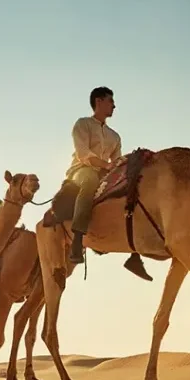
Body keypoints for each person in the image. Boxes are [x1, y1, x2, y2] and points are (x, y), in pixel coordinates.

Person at [66, 86, 122, 264]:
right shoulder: (83, 124)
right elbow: (83, 154)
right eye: (111, 101)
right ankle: (77, 239)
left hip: (105, 174)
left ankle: (134, 255)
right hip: (81, 170)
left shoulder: (115, 137)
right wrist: (106, 165)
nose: (114, 106)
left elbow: (118, 161)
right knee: (89, 181)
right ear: (99, 101)